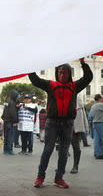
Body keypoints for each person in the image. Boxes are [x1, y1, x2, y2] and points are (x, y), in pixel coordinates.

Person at [29, 57, 93, 188]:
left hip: (68, 124)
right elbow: (35, 80)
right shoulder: (50, 85)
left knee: (64, 152)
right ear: (57, 73)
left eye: (65, 73)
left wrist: (83, 63)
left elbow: (88, 77)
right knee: (48, 150)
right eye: (60, 72)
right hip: (52, 123)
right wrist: (32, 64)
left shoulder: (74, 86)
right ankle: (40, 177)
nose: (63, 75)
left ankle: (59, 178)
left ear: (70, 74)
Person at [70, 98, 89, 173]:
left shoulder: (78, 100)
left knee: (76, 147)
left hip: (74, 127)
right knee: (62, 147)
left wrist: (85, 127)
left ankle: (75, 166)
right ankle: (61, 165)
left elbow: (83, 115)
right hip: (63, 126)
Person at [2, 91, 19, 155]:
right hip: (10, 122)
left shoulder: (7, 101)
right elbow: (13, 113)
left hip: (6, 121)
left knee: (6, 137)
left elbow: (5, 111)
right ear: (14, 96)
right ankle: (10, 150)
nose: (17, 98)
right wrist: (15, 121)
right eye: (17, 96)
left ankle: (5, 150)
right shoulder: (12, 102)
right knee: (10, 137)